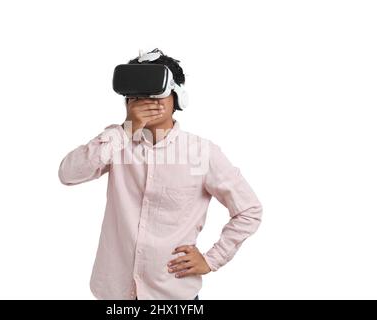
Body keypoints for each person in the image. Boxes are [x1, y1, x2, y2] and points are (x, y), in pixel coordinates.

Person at [58, 49, 263, 300]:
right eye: (136, 97)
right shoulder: (116, 144)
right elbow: (68, 174)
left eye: (153, 95)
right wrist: (126, 129)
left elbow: (249, 210)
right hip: (114, 292)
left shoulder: (200, 152)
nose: (144, 103)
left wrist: (212, 259)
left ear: (177, 98)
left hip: (172, 294)